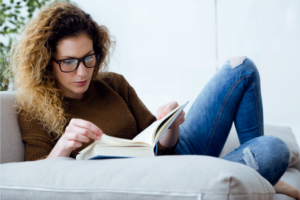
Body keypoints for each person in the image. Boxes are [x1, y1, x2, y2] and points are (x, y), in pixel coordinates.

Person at [8, 2, 300, 199]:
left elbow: (162, 145)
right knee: (272, 149)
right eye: (69, 62)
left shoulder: (113, 84)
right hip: (154, 178)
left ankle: (259, 180)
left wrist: (169, 125)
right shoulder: (33, 106)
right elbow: (34, 181)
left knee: (240, 67)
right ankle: (258, 176)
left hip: (170, 157)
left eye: (89, 58)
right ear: (47, 61)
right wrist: (63, 146)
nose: (83, 71)